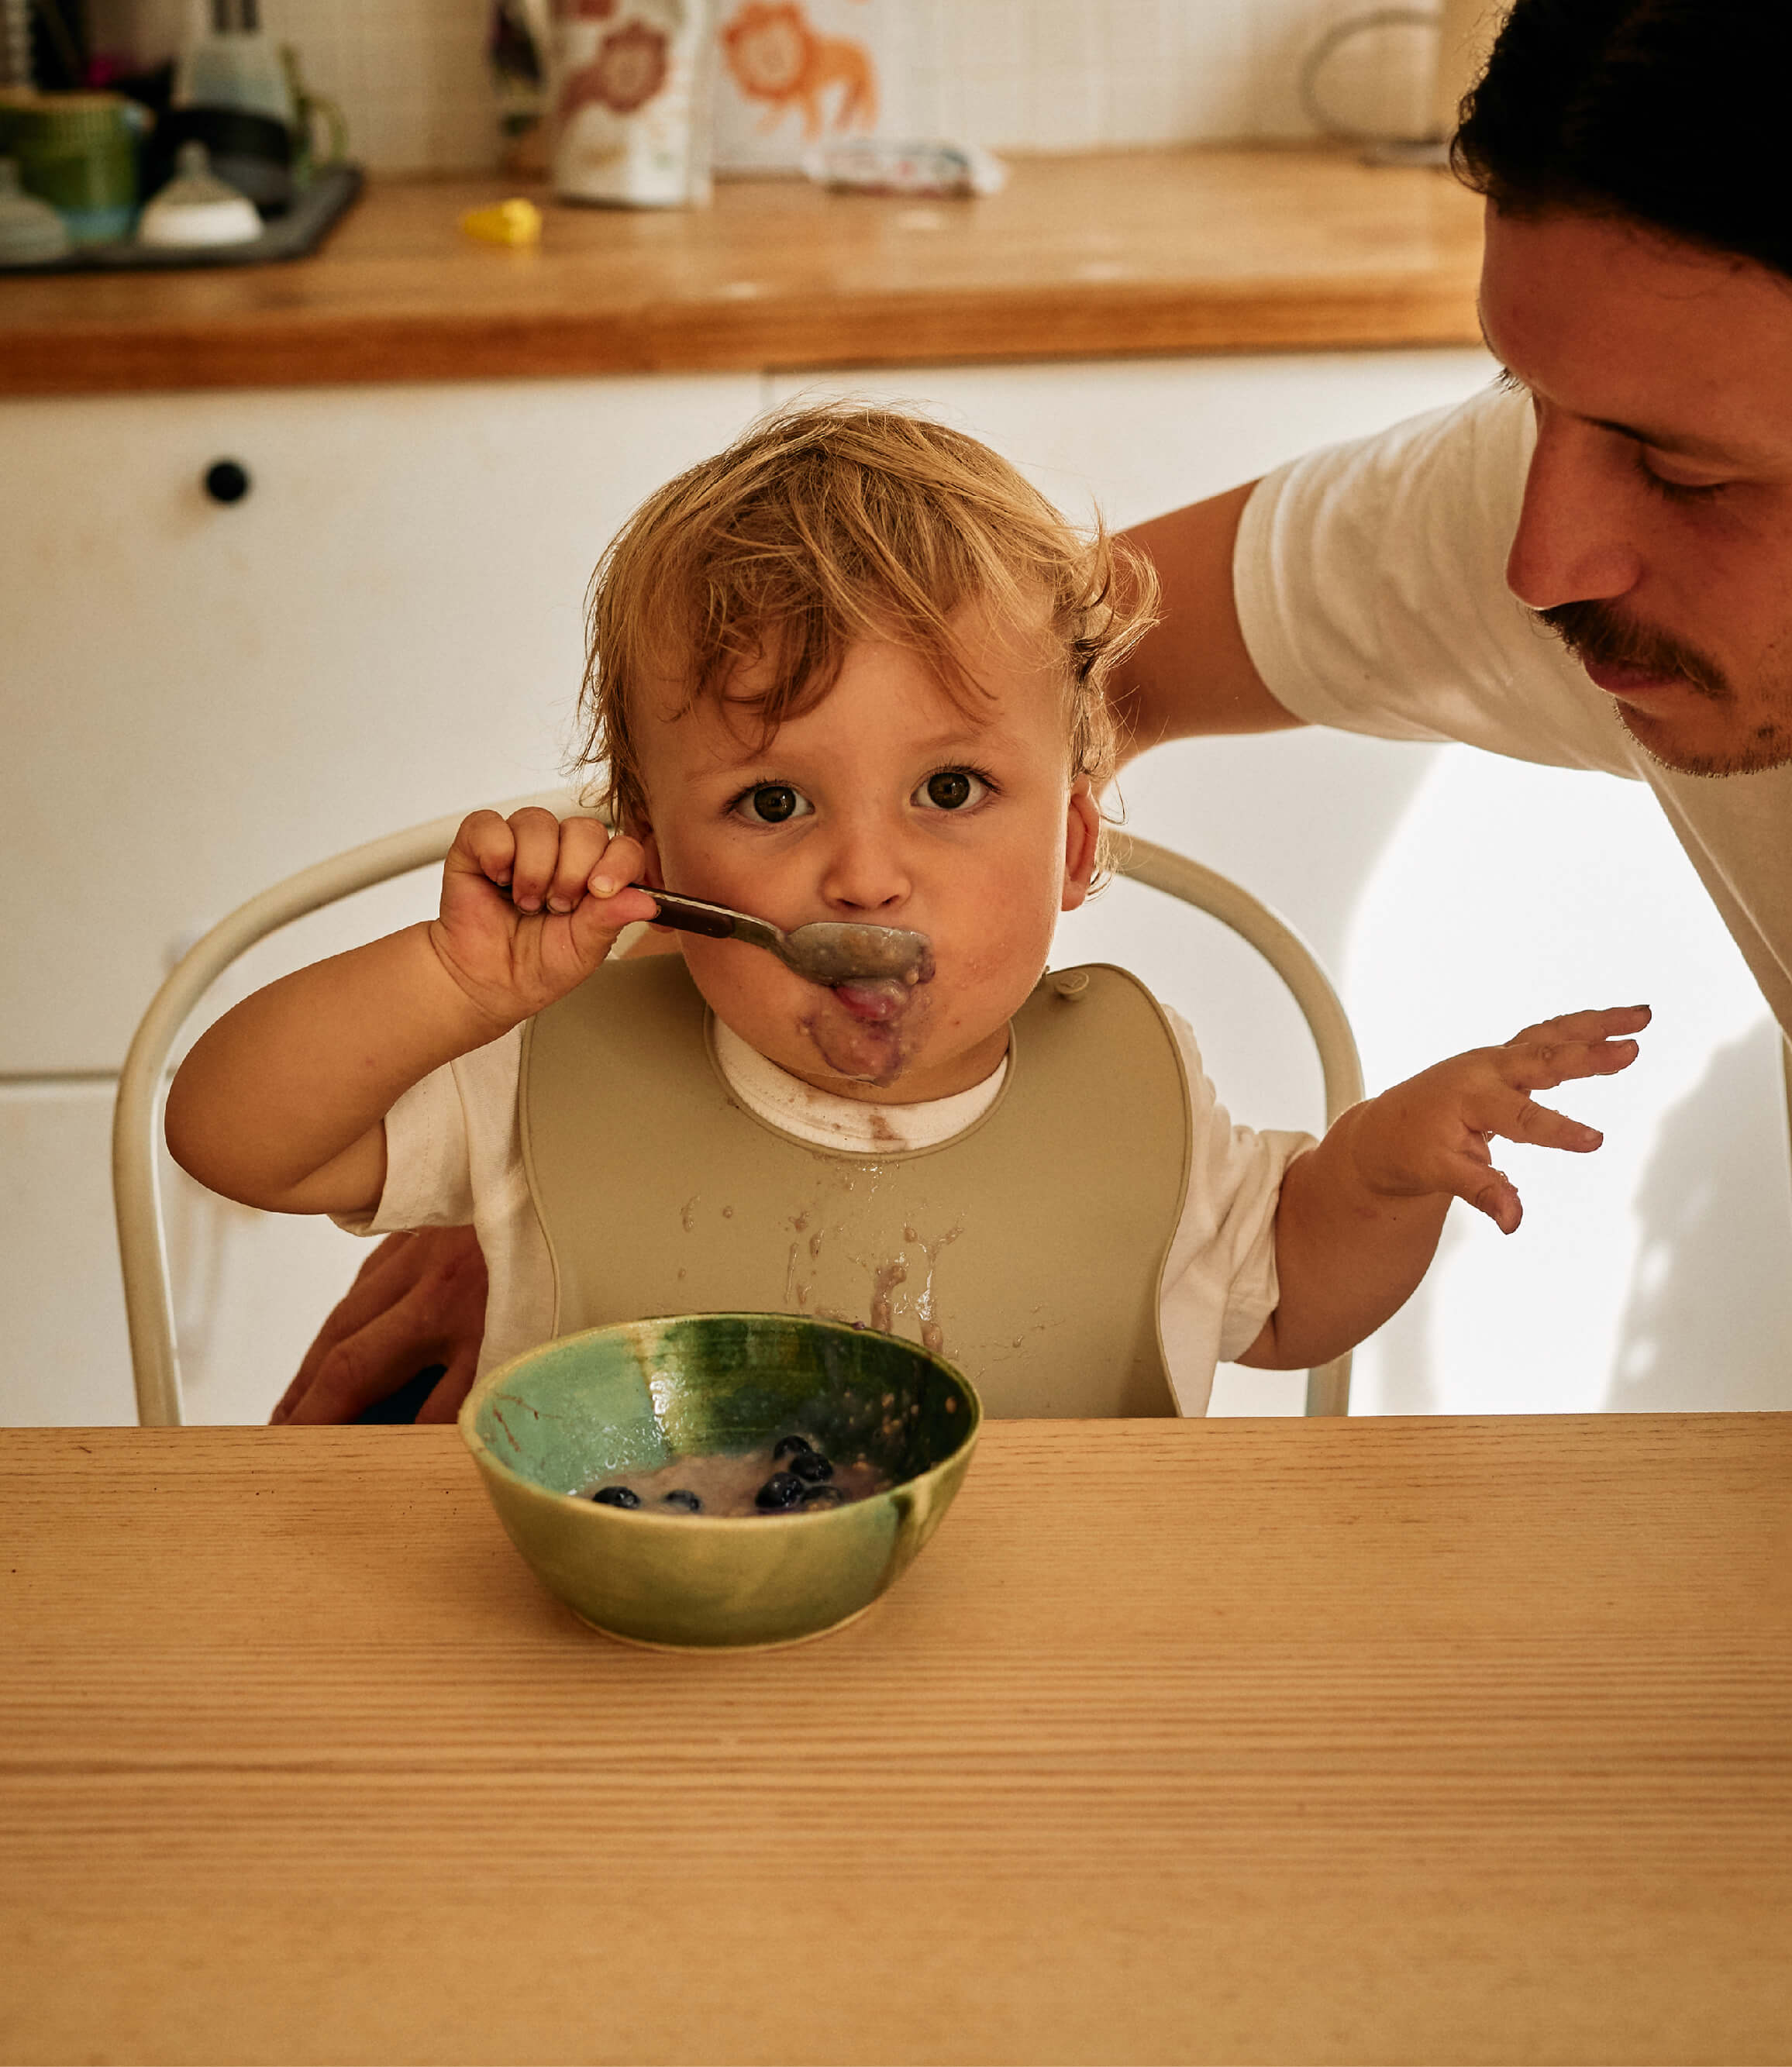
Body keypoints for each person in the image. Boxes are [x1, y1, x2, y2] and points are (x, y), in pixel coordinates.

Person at [167, 404, 1642, 1423]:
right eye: (771, 804)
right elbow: (228, 1136)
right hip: (630, 1692)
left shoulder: (1136, 1089)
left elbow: (1293, 1300)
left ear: (1075, 841)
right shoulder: (554, 1069)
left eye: (948, 791)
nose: (866, 876)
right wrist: (452, 977)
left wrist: (1386, 1170)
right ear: (652, 853)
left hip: (1043, 1713)